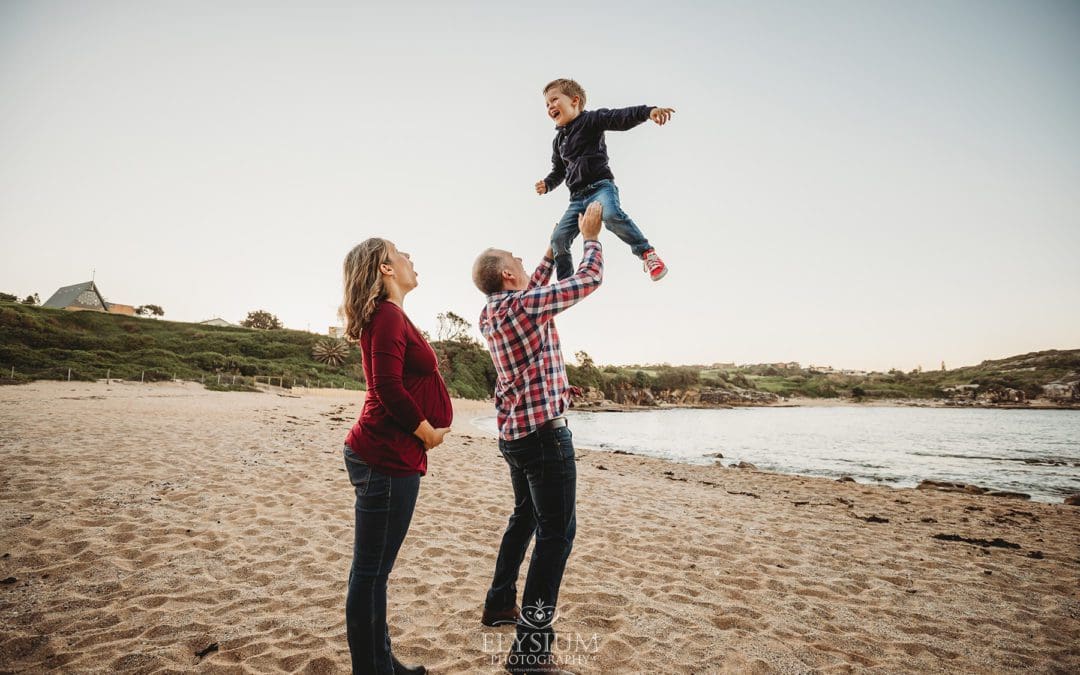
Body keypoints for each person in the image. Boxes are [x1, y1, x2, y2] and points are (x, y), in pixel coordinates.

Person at [471, 202, 605, 674]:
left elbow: (537, 285)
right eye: (520, 262)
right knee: (557, 535)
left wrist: (553, 245)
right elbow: (587, 282)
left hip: (515, 436)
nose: (527, 266)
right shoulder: (525, 305)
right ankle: (530, 651)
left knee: (526, 516)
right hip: (545, 440)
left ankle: (498, 602)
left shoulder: (492, 312)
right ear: (508, 274)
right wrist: (590, 237)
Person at [340, 238, 452, 675]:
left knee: (374, 572)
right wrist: (426, 432)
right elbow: (386, 387)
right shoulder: (386, 315)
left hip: (390, 455)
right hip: (385, 456)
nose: (411, 258)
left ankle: (381, 661)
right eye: (402, 252)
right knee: (370, 572)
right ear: (386, 269)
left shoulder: (390, 315)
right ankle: (372, 669)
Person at [536, 77, 675, 282]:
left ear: (574, 101)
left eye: (554, 100)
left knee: (611, 216)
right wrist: (548, 184)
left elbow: (619, 117)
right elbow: (559, 170)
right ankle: (566, 283)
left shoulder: (591, 119)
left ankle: (647, 253)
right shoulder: (558, 142)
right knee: (558, 239)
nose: (550, 107)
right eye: (547, 104)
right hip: (577, 199)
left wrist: (648, 112)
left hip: (601, 187)